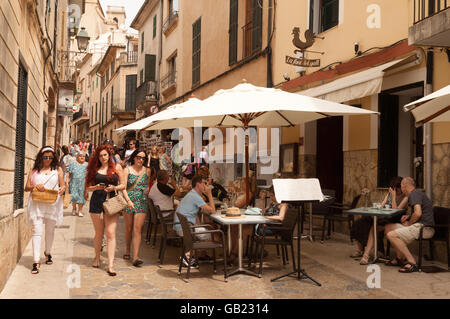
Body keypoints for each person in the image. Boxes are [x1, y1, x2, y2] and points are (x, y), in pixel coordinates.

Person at [84, 145, 133, 276]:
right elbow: (88, 187)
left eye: (105, 155)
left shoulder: (116, 167)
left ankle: (110, 264)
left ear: (109, 155)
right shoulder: (94, 169)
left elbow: (123, 185)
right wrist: (96, 187)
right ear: (97, 157)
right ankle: (97, 257)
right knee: (99, 233)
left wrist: (114, 188)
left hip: (112, 201)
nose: (103, 157)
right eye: (100, 155)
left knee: (110, 233)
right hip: (96, 202)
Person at [24, 146, 65, 274]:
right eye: (45, 157)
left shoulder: (57, 169)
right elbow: (27, 187)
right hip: (37, 203)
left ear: (54, 158)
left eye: (50, 157)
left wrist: (62, 189)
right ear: (41, 157)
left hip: (52, 203)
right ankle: (36, 261)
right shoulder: (34, 170)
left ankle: (47, 252)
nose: (48, 160)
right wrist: (35, 186)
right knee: (37, 231)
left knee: (50, 231)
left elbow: (63, 185)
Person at [352, 177, 409, 265]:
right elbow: (382, 206)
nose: (395, 190)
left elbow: (396, 211)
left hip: (395, 219)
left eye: (397, 188)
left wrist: (393, 197)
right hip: (385, 218)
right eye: (393, 188)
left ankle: (366, 255)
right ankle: (365, 254)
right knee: (363, 223)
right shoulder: (389, 194)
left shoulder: (405, 197)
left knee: (373, 227)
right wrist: (377, 208)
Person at [384, 177, 435, 273]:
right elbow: (419, 212)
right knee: (388, 227)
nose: (401, 189)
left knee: (391, 235)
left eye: (401, 186)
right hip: (420, 226)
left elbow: (418, 213)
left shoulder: (414, 194)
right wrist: (408, 216)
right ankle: (400, 258)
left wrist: (409, 223)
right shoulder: (417, 193)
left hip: (424, 228)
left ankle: (412, 262)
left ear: (404, 186)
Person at [173, 174, 215, 266]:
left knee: (208, 228)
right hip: (186, 229)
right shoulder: (195, 196)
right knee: (215, 236)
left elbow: (194, 214)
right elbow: (213, 211)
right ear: (198, 184)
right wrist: (210, 194)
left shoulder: (192, 194)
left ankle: (200, 255)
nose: (206, 185)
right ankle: (187, 255)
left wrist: (199, 225)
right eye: (204, 183)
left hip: (182, 226)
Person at [122, 149, 152, 267]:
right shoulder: (127, 170)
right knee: (129, 228)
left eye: (143, 158)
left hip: (141, 201)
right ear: (134, 157)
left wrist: (147, 188)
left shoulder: (147, 170)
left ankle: (135, 256)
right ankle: (128, 250)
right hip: (129, 200)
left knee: (138, 229)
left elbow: (147, 183)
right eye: (139, 157)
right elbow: (123, 187)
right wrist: (128, 200)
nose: (141, 160)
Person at [228, 180, 254, 263]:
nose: (241, 184)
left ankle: (234, 253)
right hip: (241, 216)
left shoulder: (249, 194)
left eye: (243, 182)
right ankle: (232, 250)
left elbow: (237, 205)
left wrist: (233, 200)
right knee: (233, 226)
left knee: (239, 229)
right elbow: (234, 203)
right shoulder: (242, 193)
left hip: (247, 219)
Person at [66, 152, 88, 217]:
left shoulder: (87, 165)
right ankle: (74, 208)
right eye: (80, 156)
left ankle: (80, 211)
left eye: (83, 156)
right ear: (77, 157)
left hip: (83, 184)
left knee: (82, 197)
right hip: (73, 183)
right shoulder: (73, 164)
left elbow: (90, 175)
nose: (82, 157)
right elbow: (68, 173)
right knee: (74, 196)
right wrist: (67, 181)